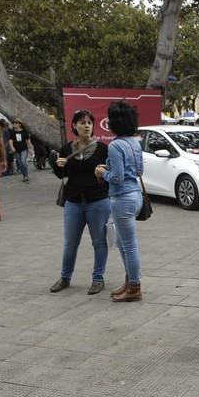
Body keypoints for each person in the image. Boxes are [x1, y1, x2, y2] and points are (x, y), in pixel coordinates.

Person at [49, 110, 111, 295]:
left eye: (89, 123)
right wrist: (57, 166)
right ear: (74, 126)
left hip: (98, 201)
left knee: (99, 242)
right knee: (70, 243)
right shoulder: (67, 149)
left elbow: (109, 175)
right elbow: (62, 175)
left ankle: (98, 278)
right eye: (82, 123)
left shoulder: (102, 149)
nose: (86, 126)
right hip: (73, 201)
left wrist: (105, 171)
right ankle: (65, 277)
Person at [94, 101, 144, 302]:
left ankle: (134, 286)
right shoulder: (135, 143)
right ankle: (130, 280)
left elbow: (117, 177)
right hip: (136, 196)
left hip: (122, 198)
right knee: (124, 243)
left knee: (129, 245)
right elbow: (140, 171)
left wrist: (103, 173)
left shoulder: (115, 145)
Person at [8, 118, 34, 183]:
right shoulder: (12, 132)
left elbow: (28, 141)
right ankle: (24, 176)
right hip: (16, 150)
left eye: (16, 123)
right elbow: (10, 140)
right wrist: (12, 147)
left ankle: (26, 176)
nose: (14, 124)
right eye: (13, 123)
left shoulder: (24, 132)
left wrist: (31, 149)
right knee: (20, 163)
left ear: (20, 124)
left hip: (24, 149)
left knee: (23, 161)